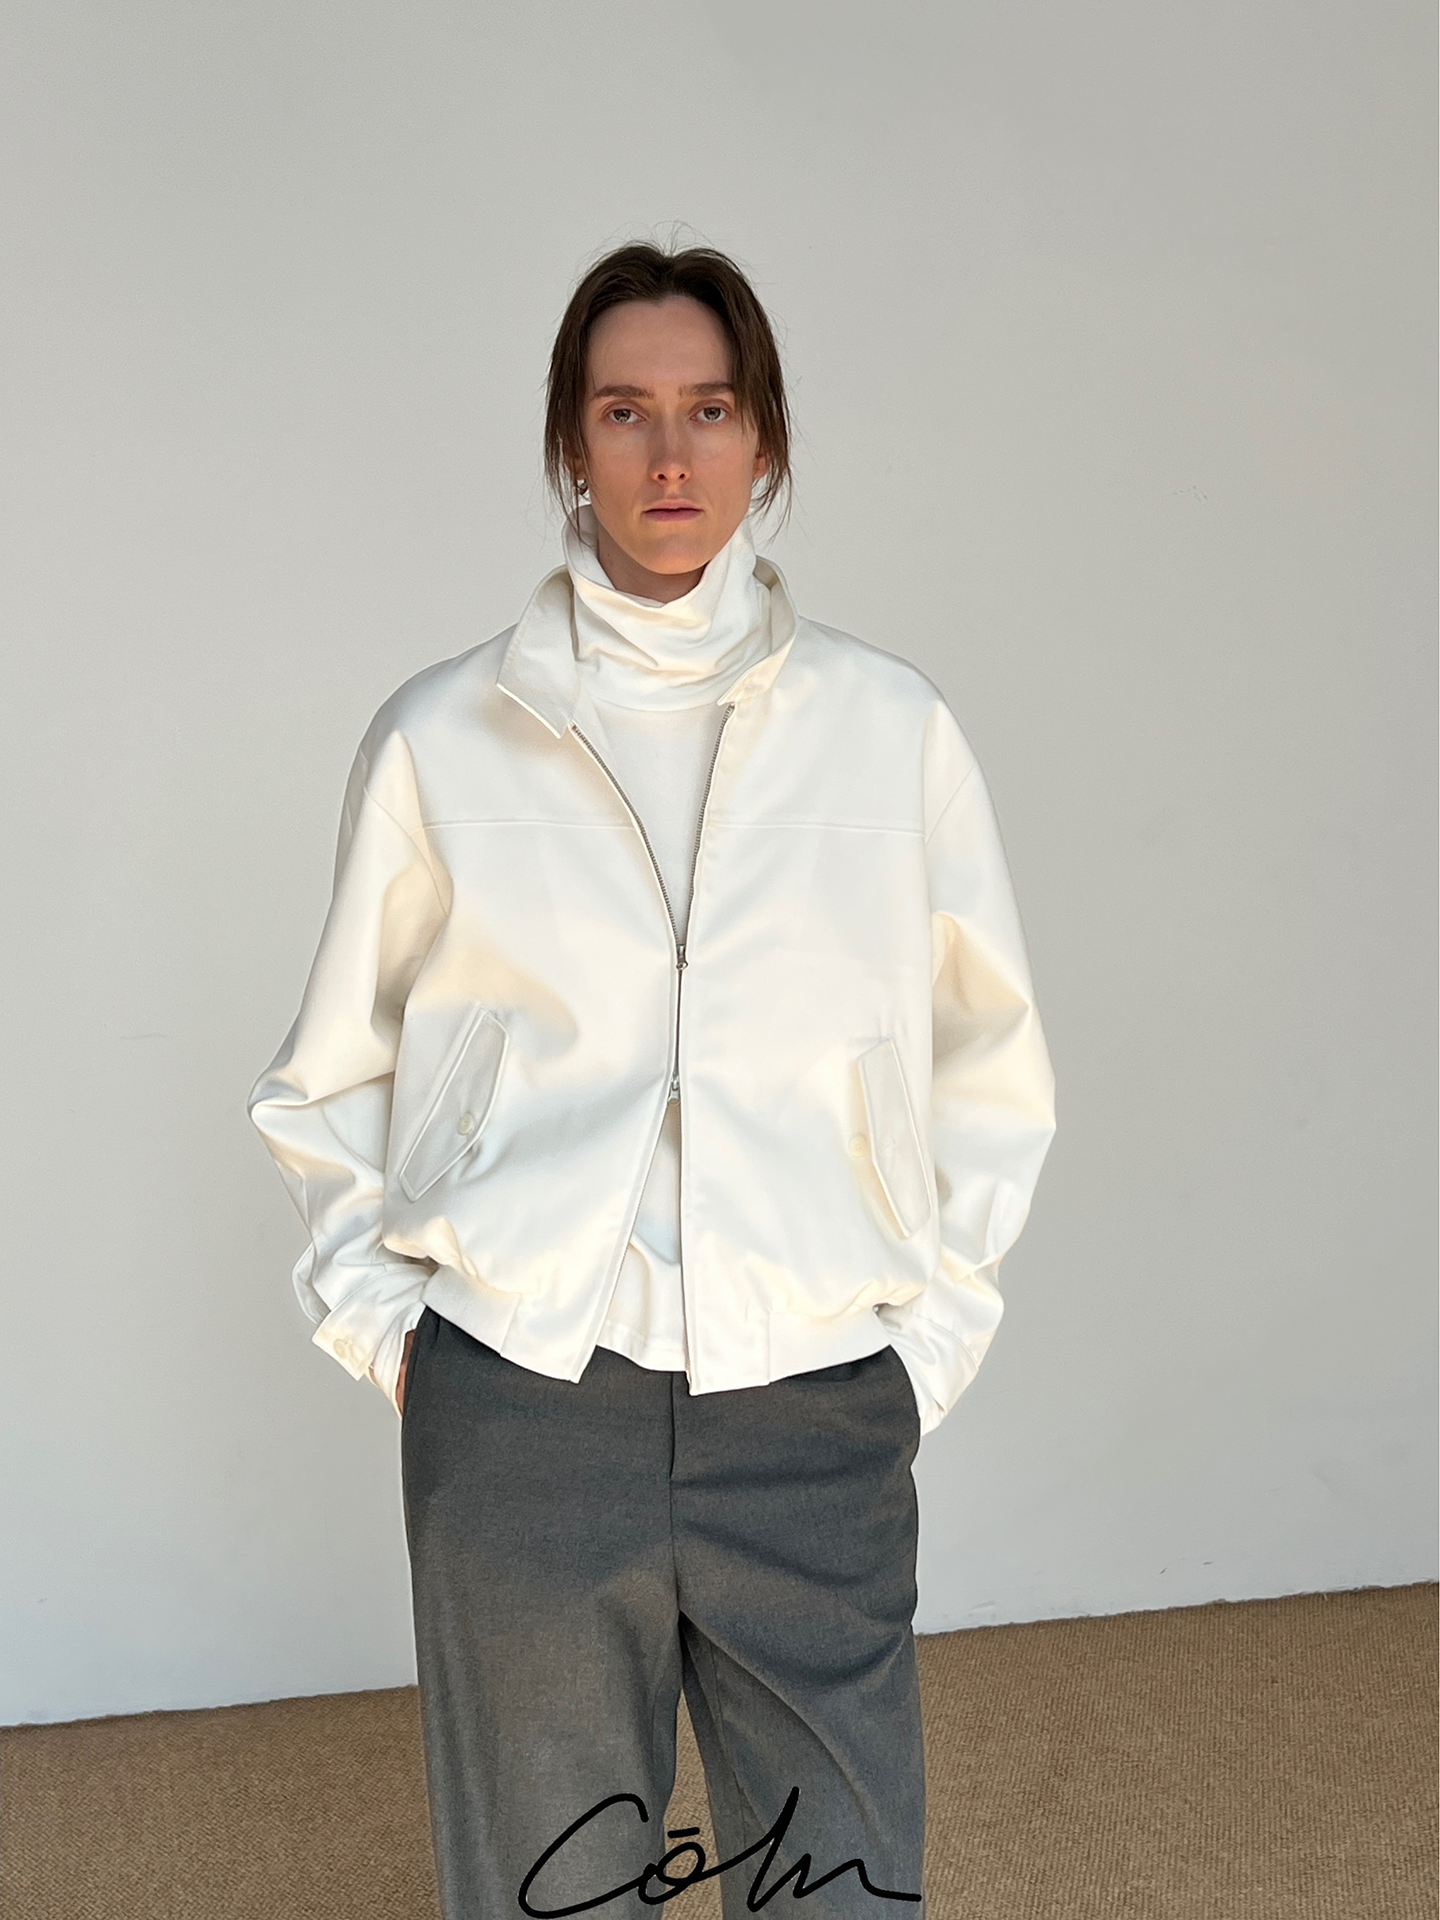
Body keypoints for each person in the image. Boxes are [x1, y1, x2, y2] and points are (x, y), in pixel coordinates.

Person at [248, 241, 1057, 1920]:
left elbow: (992, 1065)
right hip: (526, 1400)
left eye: (711, 409)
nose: (670, 456)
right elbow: (328, 1079)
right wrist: (408, 1348)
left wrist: (924, 1346)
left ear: (766, 439)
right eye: (625, 412)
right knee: (547, 1889)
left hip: (815, 1397)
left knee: (840, 1887)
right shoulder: (443, 736)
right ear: (570, 442)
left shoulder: (888, 731)